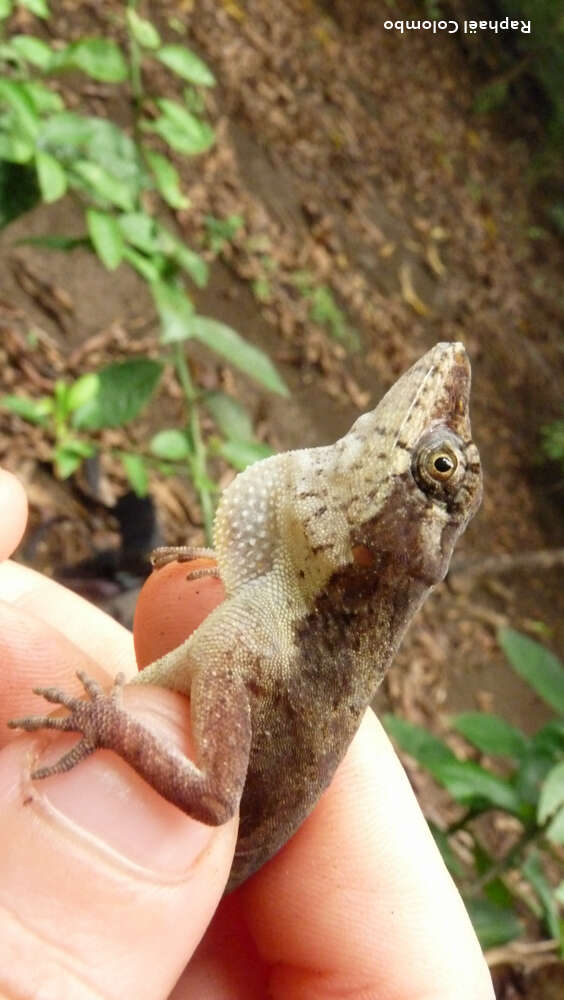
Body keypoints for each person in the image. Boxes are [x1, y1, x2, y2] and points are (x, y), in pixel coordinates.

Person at [0, 467, 494, 999]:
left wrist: (113, 727)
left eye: (437, 468)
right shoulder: (280, 615)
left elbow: (214, 798)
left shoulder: (274, 647)